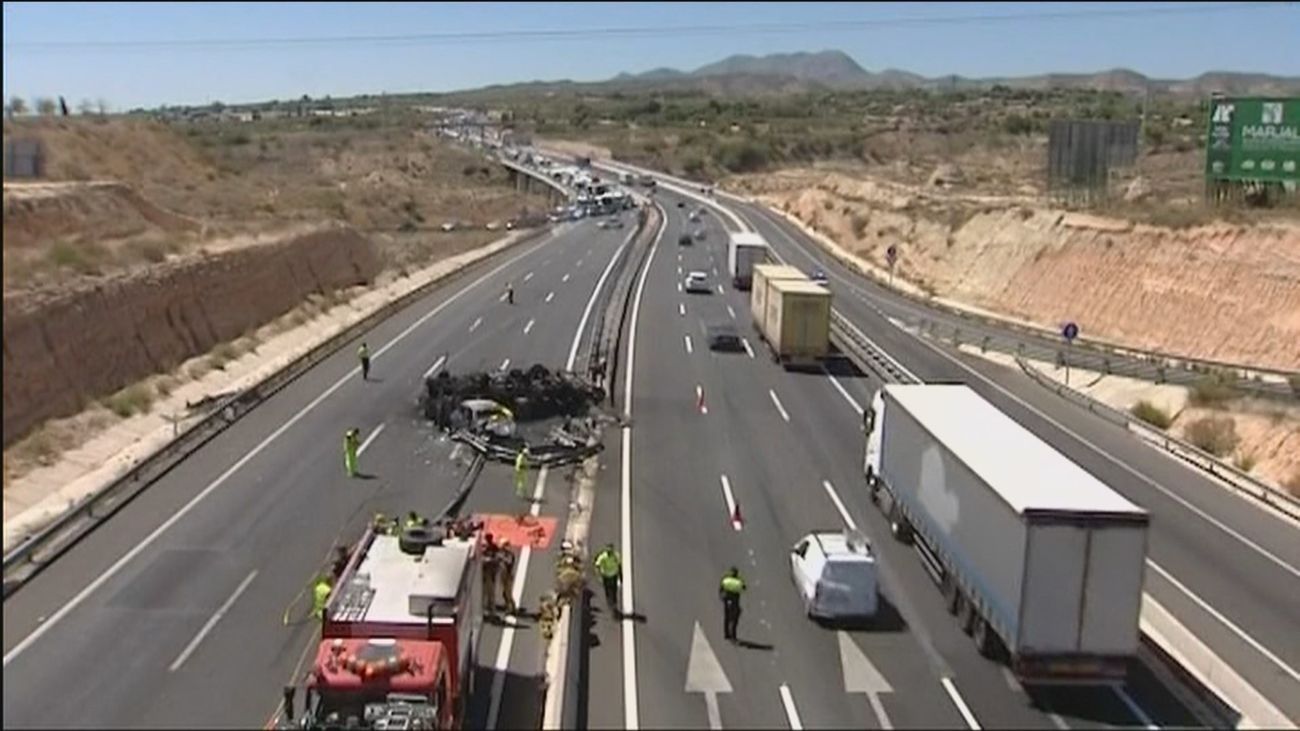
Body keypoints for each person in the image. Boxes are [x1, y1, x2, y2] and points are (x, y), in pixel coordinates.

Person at [719, 566, 746, 642]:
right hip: (735, 602)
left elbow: (721, 589)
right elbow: (744, 588)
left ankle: (726, 634)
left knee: (726, 617)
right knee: (735, 619)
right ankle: (733, 635)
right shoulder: (739, 582)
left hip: (726, 601)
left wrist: (721, 596)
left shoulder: (726, 580)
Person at [593, 543, 622, 614]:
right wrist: (599, 575)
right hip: (606, 576)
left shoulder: (616, 555)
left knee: (614, 589)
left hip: (613, 575)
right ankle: (610, 601)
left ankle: (614, 603)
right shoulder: (603, 557)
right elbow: (597, 565)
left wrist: (620, 576)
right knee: (608, 590)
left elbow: (619, 565)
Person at [496, 539, 518, 615]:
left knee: (508, 593)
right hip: (503, 575)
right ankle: (507, 606)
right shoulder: (502, 554)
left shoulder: (510, 555)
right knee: (505, 593)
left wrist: (502, 558)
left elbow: (509, 562)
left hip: (508, 576)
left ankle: (512, 608)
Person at [481, 533, 500, 616]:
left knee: (491, 593)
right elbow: (480, 559)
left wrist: (491, 560)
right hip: (484, 574)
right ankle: (485, 610)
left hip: (491, 573)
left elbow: (498, 558)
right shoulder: (483, 549)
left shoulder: (494, 548)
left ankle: (492, 611)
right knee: (484, 594)